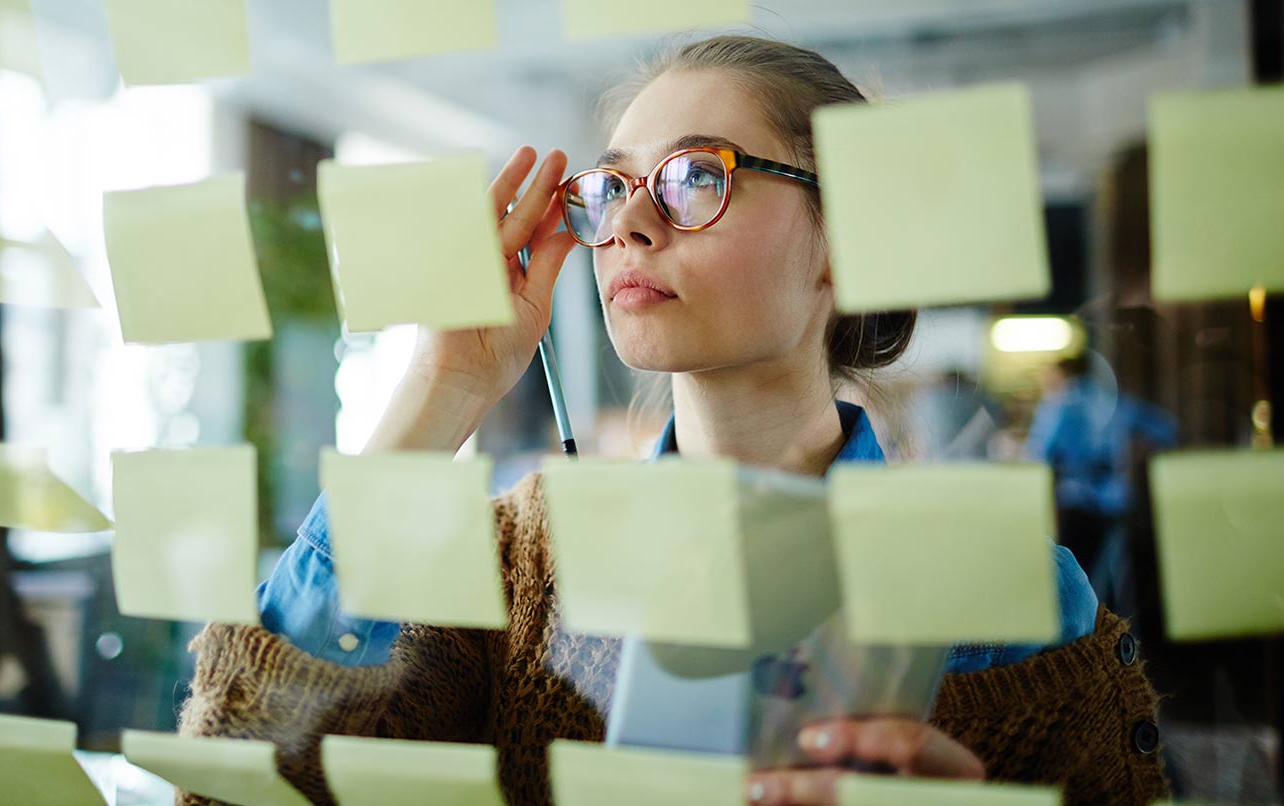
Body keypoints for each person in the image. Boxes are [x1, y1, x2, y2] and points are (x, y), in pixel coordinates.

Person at [178, 36, 1169, 806]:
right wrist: (443, 385)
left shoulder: (1009, 594)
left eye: (698, 174)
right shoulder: (513, 565)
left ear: (846, 238)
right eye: (610, 188)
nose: (629, 226)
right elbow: (240, 783)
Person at [1027, 352, 1178, 620]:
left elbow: (1036, 455)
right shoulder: (1115, 401)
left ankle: (1090, 640)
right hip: (1116, 505)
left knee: (1074, 583)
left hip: (1078, 505)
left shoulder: (1060, 406)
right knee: (1114, 578)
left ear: (1064, 375)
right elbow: (1166, 429)